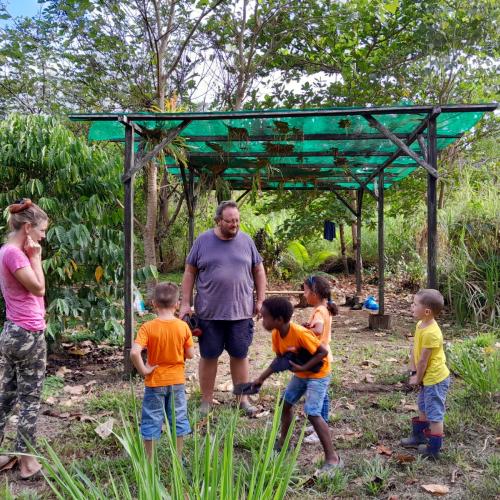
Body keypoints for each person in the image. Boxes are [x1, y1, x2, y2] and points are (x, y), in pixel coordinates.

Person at [179, 201, 266, 416]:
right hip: (209, 313)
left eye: (237, 220)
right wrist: (184, 303)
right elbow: (190, 272)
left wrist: (261, 300)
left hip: (241, 312)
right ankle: (206, 401)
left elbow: (259, 270)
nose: (234, 225)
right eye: (229, 221)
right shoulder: (203, 240)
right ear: (218, 220)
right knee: (209, 356)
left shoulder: (246, 241)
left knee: (240, 355)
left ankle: (242, 399)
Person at [252, 296, 343, 474]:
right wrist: (260, 379)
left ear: (278, 319)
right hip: (301, 374)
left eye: (264, 316)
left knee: (312, 412)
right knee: (285, 405)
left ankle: (333, 458)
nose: (261, 319)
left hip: (318, 374)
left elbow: (322, 352)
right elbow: (280, 359)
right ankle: (284, 444)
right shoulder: (277, 334)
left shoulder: (300, 333)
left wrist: (303, 366)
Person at [0, 199, 49, 480]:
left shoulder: (6, 250)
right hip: (27, 333)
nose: (43, 236)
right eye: (41, 230)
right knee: (30, 399)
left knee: (6, 396)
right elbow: (39, 288)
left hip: (12, 332)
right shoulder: (17, 255)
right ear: (28, 227)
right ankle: (28, 463)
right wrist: (36, 257)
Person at [130, 282, 194, 461]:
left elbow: (135, 352)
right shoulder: (183, 327)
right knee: (178, 418)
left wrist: (144, 370)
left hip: (154, 381)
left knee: (151, 420)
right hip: (177, 382)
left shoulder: (147, 327)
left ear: (153, 303)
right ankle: (178, 458)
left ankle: (149, 461)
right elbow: (190, 354)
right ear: (177, 304)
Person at [400, 289, 450, 459]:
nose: (411, 307)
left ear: (427, 311)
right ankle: (419, 436)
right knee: (423, 404)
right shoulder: (420, 325)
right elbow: (415, 349)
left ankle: (433, 450)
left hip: (435, 378)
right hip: (425, 376)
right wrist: (413, 371)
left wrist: (417, 378)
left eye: (415, 304)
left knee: (435, 413)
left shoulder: (432, 333)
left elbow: (424, 361)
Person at [301, 275, 338, 444]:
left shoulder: (318, 311)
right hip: (325, 356)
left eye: (305, 291)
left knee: (316, 396)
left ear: (314, 293)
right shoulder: (325, 308)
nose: (304, 294)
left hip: (319, 359)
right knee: (322, 395)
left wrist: (305, 330)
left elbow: (318, 329)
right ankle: (322, 422)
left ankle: (319, 429)